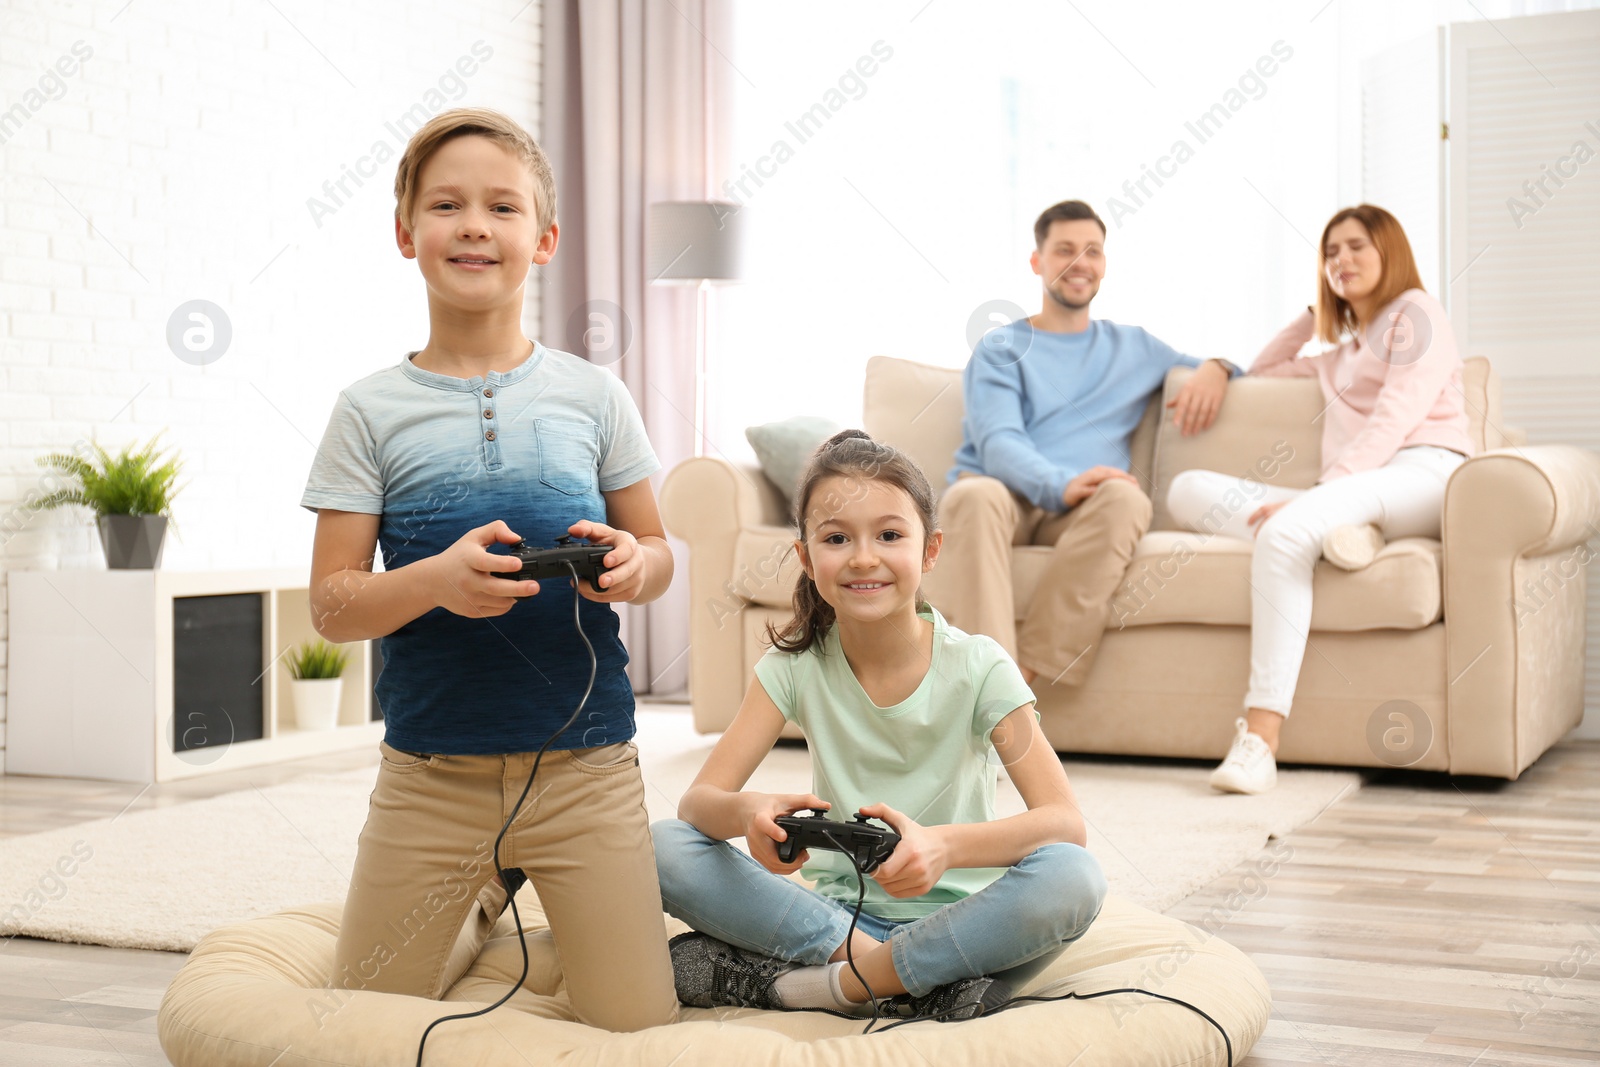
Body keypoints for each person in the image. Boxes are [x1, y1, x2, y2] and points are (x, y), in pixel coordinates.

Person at [299, 107, 676, 1031]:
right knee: (360, 1026)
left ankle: (500, 893)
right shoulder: (368, 411)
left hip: (586, 767)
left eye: (502, 207)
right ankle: (477, 897)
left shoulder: (595, 395)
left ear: (542, 238)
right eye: (447, 205)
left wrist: (633, 564)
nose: (474, 225)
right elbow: (333, 606)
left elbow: (661, 553)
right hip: (431, 775)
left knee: (638, 1029)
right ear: (405, 233)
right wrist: (432, 581)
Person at [652, 430, 1107, 1022]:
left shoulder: (980, 666)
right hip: (837, 923)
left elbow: (1063, 822)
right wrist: (748, 813)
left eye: (890, 535)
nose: (864, 557)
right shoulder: (792, 668)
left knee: (1073, 878)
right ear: (807, 558)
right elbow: (698, 806)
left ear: (930, 550)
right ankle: (907, 981)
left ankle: (814, 989)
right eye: (837, 538)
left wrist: (942, 847)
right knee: (662, 845)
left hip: (965, 922)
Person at [1165, 204, 1474, 795]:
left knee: (1285, 532)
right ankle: (1343, 534)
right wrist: (1318, 312)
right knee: (1187, 489)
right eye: (1331, 253)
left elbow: (1394, 419)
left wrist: (1319, 498)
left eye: (1357, 247)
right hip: (1354, 491)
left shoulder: (1417, 314)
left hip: (1425, 472)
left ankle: (1259, 741)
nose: (1341, 260)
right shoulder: (1340, 356)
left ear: (1391, 253)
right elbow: (1264, 370)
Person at [935, 199, 1242, 689]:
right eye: (1064, 251)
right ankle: (985, 685)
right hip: (1004, 497)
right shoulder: (1002, 347)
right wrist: (1061, 482)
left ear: (1104, 264)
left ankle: (1015, 691)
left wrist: (1218, 366)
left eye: (1093, 251)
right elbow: (998, 443)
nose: (1081, 264)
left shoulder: (1135, 347)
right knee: (974, 494)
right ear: (1038, 262)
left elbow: (1220, 365)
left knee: (1125, 497)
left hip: (1077, 515)